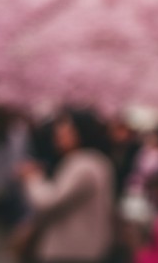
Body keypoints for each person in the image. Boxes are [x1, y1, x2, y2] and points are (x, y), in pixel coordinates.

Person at [19, 108, 115, 263]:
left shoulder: (82, 164)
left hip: (70, 249)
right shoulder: (97, 161)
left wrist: (32, 178)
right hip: (84, 247)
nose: (58, 133)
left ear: (81, 132)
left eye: (66, 129)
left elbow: (48, 202)